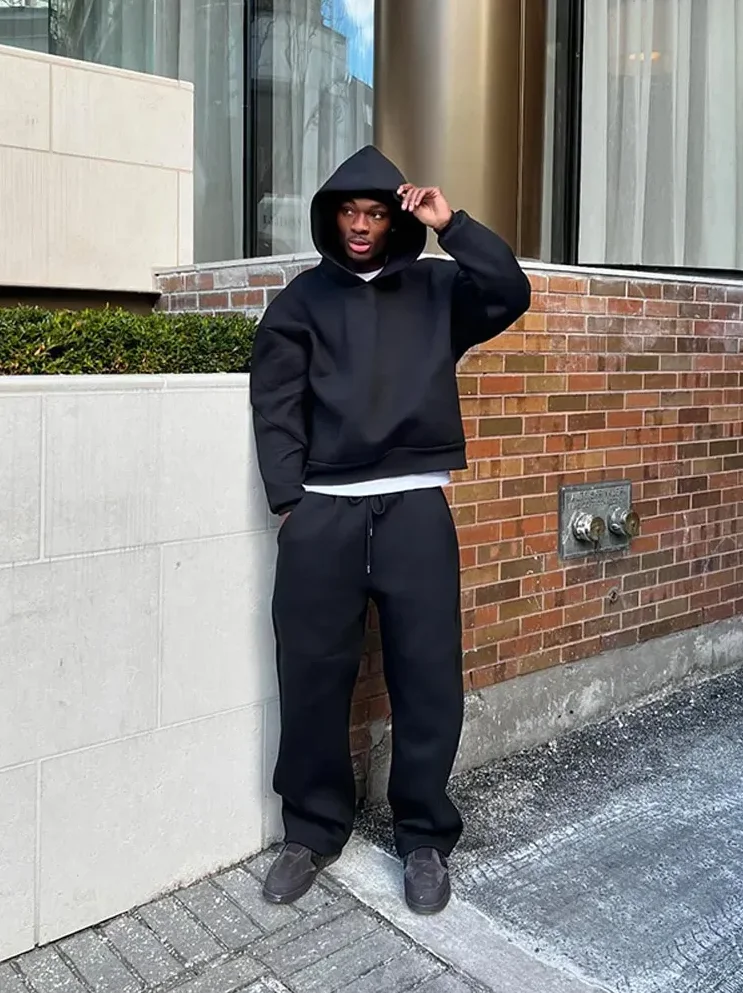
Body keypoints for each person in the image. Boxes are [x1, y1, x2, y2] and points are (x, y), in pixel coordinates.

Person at [250, 145, 530, 915]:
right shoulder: (301, 301)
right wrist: (291, 502)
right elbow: (274, 402)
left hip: (413, 508)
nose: (361, 225)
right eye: (349, 211)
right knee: (311, 673)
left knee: (427, 675)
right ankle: (310, 829)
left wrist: (451, 224)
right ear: (331, 217)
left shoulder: (437, 288)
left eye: (375, 212)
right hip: (323, 511)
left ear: (394, 218)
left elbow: (510, 290)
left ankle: (424, 838)